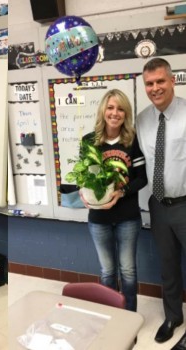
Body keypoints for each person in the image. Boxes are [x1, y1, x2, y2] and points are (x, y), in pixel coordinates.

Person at [80, 89, 147, 312]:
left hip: (128, 217)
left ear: (126, 113)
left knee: (127, 270)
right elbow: (85, 176)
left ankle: (128, 317)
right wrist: (82, 191)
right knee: (107, 271)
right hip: (99, 219)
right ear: (103, 110)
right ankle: (108, 316)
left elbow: (142, 178)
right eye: (110, 107)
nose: (115, 113)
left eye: (120, 109)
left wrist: (121, 192)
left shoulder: (132, 140)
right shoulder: (89, 142)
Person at [136, 57, 186, 349]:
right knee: (167, 266)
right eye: (149, 83)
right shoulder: (142, 119)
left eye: (160, 81)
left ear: (172, 81)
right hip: (159, 205)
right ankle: (173, 318)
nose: (155, 88)